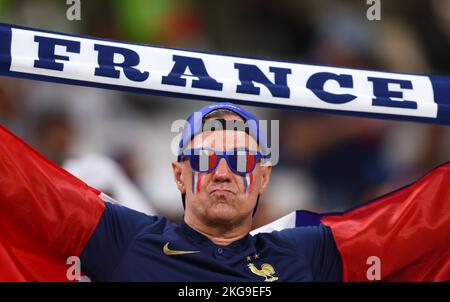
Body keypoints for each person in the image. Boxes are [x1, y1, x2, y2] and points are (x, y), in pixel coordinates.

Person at [0, 102, 448, 282]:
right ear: (178, 175)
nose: (221, 172)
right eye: (204, 160)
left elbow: (417, 223)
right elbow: (25, 185)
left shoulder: (310, 253)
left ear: (262, 179)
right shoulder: (125, 239)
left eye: (239, 161)